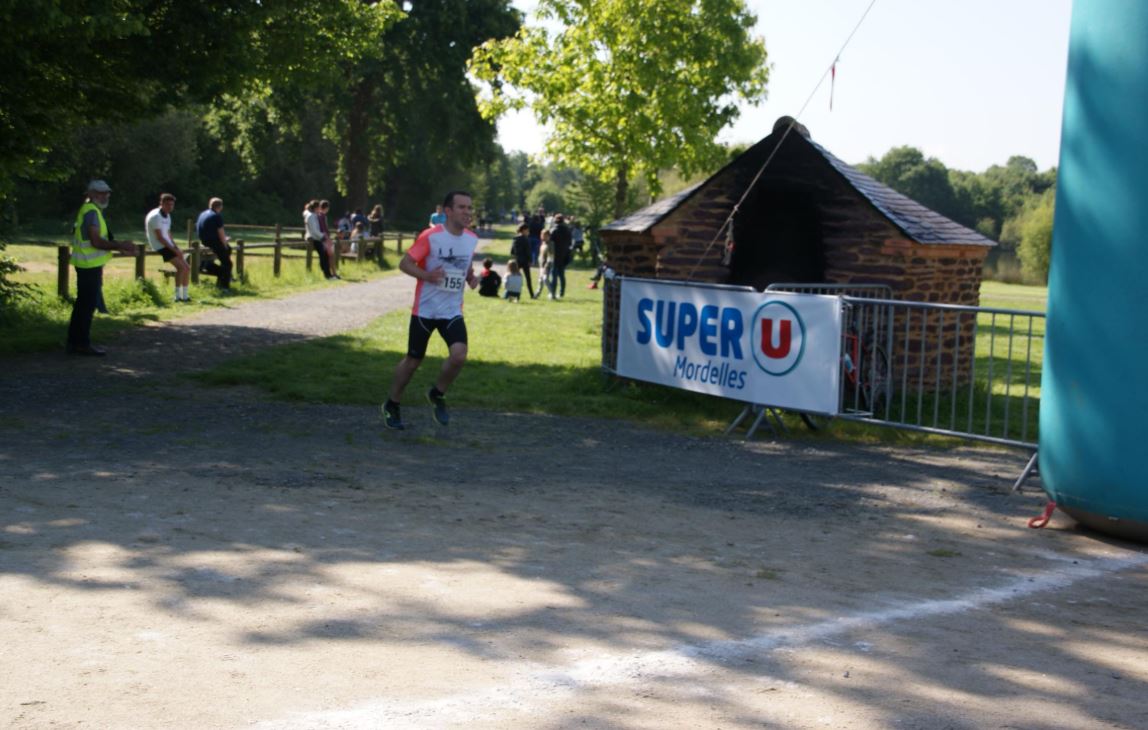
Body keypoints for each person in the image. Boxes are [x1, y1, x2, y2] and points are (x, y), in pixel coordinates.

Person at [381, 191, 480, 430]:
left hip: (452, 310)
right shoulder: (431, 236)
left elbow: (464, 266)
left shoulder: (471, 239)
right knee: (413, 361)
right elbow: (405, 263)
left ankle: (437, 393)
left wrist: (470, 277)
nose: (467, 212)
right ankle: (392, 404)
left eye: (469, 208)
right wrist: (426, 275)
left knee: (459, 355)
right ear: (448, 211)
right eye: (462, 207)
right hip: (425, 310)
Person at [66, 180, 136, 356]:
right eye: (99, 193)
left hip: (87, 264)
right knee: (86, 306)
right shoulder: (91, 212)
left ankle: (75, 342)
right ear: (90, 194)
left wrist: (118, 246)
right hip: (89, 266)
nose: (104, 196)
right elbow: (96, 241)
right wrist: (120, 245)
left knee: (83, 305)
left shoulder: (91, 210)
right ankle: (81, 344)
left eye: (106, 193)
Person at [145, 193, 190, 302]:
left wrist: (176, 247)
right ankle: (177, 296)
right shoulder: (155, 216)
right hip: (160, 245)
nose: (170, 207)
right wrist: (174, 250)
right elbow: (160, 237)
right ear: (161, 203)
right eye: (168, 204)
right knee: (181, 268)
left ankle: (185, 296)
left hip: (167, 244)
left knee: (187, 268)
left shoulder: (167, 215)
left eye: (172, 204)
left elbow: (168, 234)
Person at [196, 197, 232, 291]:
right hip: (214, 243)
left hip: (204, 241)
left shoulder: (203, 214)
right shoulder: (216, 216)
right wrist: (225, 242)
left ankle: (210, 267)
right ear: (220, 207)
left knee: (226, 255)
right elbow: (220, 232)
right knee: (228, 263)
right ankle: (224, 286)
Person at [304, 199, 336, 280]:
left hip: (317, 238)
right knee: (324, 256)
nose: (320, 208)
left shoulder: (313, 215)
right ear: (316, 208)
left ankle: (328, 274)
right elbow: (314, 230)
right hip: (315, 238)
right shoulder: (311, 216)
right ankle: (327, 275)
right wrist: (323, 236)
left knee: (324, 255)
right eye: (318, 207)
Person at [548, 214, 573, 299]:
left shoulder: (554, 230)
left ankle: (553, 292)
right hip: (564, 254)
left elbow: (550, 242)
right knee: (562, 275)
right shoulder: (567, 230)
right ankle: (562, 292)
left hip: (555, 254)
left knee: (554, 274)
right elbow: (570, 243)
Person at [509, 223, 535, 299]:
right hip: (525, 261)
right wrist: (530, 260)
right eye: (527, 231)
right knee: (528, 279)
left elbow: (512, 251)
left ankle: (511, 294)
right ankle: (532, 295)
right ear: (523, 230)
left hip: (517, 261)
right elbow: (528, 251)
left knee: (514, 277)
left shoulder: (515, 238)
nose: (528, 232)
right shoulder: (526, 239)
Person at [318, 200, 339, 279]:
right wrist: (328, 238)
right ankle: (333, 273)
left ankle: (331, 273)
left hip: (321, 238)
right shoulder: (323, 216)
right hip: (325, 238)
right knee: (331, 256)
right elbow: (324, 229)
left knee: (328, 256)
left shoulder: (318, 215)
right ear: (326, 208)